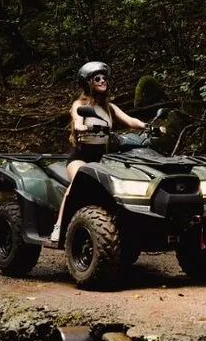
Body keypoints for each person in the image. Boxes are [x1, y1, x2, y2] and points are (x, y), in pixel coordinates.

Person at [50, 61, 148, 242]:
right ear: (88, 83)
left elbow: (130, 120)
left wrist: (147, 126)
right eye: (97, 78)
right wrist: (83, 127)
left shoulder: (109, 107)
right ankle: (58, 226)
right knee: (77, 181)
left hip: (103, 158)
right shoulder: (80, 104)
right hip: (81, 157)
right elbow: (77, 120)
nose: (102, 81)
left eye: (104, 78)